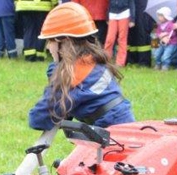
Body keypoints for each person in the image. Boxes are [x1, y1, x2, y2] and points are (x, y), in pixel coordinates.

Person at [29, 2, 134, 130]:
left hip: (111, 132)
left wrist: (55, 73)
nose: (47, 47)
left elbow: (39, 119)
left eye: (49, 41)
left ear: (62, 41)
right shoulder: (92, 62)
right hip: (120, 123)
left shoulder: (73, 73)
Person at [104, 0, 136, 66]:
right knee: (109, 39)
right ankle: (106, 60)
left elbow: (132, 4)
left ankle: (120, 63)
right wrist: (107, 17)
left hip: (124, 14)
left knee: (122, 39)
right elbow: (109, 4)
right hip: (112, 14)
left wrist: (132, 19)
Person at [125, 0, 154, 66]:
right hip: (132, 7)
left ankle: (143, 61)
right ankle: (132, 60)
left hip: (143, 8)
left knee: (142, 34)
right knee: (131, 34)